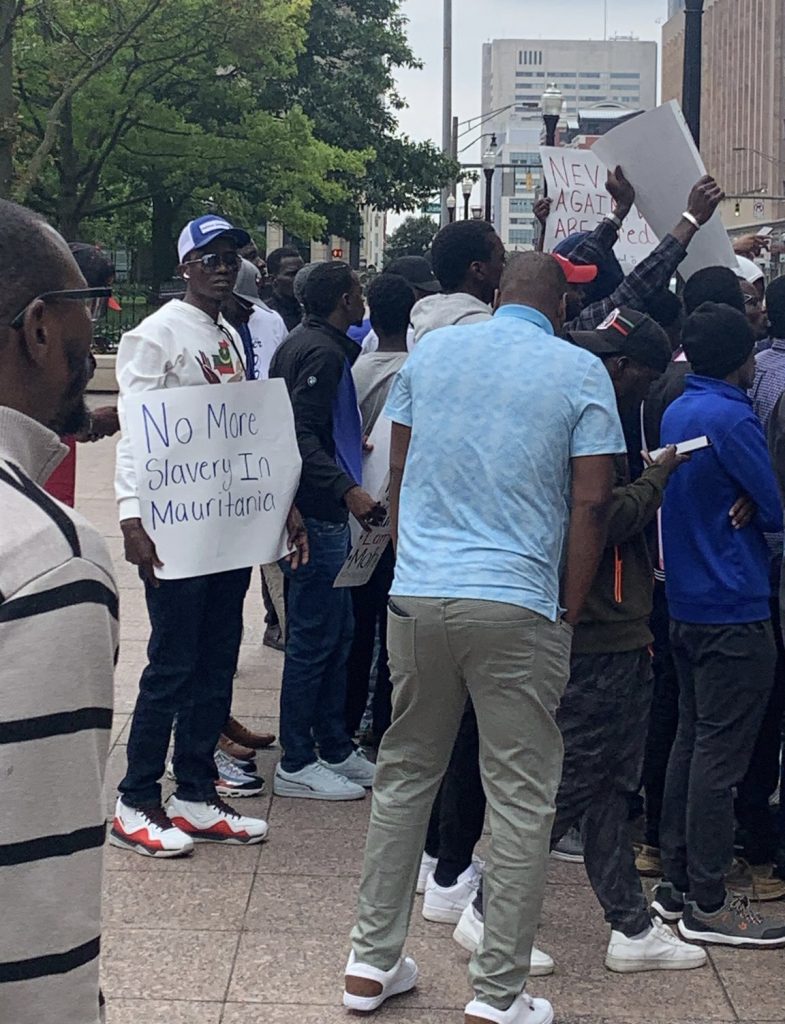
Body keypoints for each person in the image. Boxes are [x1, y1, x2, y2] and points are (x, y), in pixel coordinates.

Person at [344, 252, 626, 1024]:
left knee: (405, 774)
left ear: (497, 296)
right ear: (560, 308)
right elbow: (592, 502)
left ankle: (368, 963)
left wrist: (411, 564)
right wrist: (567, 610)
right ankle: (497, 991)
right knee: (521, 796)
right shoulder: (578, 371)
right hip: (516, 600)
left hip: (420, 592)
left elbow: (400, 470)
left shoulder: (432, 354)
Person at [457, 309, 705, 976]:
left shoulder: (576, 409)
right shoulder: (586, 420)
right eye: (622, 366)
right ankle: (486, 910)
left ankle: (630, 925)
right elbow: (600, 514)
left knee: (606, 785)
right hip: (593, 629)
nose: (615, 373)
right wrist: (656, 478)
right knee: (568, 785)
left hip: (604, 627)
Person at [111, 214, 279, 856]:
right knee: (173, 665)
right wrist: (131, 516)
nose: (222, 266)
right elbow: (136, 433)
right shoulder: (154, 336)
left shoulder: (227, 335)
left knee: (216, 659)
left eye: (231, 256)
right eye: (209, 257)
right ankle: (136, 799)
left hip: (224, 527)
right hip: (174, 530)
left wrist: (276, 506)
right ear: (185, 266)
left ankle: (196, 792)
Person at [0, 199, 117, 1024]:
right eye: (87, 309)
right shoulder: (48, 560)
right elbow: (37, 887)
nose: (92, 337)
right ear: (40, 328)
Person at [653, 302, 785, 946]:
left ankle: (676, 880)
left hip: (687, 600)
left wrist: (748, 498)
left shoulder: (679, 408)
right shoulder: (733, 417)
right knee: (721, 757)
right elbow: (775, 506)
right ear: (744, 358)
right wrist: (755, 499)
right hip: (735, 603)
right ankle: (710, 901)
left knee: (692, 741)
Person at [270, 261, 382, 800]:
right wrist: (347, 489)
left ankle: (334, 747)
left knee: (338, 633)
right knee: (315, 639)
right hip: (316, 516)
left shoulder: (308, 344)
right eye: (357, 292)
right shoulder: (321, 352)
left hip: (321, 512)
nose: (362, 300)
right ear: (343, 300)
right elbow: (299, 434)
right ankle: (297, 759)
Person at [345, 273, 415, 745]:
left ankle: (349, 718)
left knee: (357, 624)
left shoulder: (355, 371)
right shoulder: (418, 371)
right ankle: (385, 720)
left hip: (359, 514)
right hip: (400, 516)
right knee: (394, 628)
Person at [550, 173, 725, 333]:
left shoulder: (545, 321)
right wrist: (691, 219)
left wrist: (621, 209)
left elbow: (582, 257)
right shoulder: (569, 333)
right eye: (574, 288)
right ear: (559, 305)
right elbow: (634, 289)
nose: (581, 293)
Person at [44, 243, 120, 507]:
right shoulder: (41, 344)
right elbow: (42, 412)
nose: (91, 318)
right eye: (89, 305)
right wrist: (88, 424)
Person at [410, 220, 506, 343]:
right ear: (478, 270)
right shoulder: (495, 335)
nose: (505, 267)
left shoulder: (422, 321)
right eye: (501, 259)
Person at [361, 256, 441, 354]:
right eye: (422, 294)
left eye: (432, 294)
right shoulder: (373, 337)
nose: (428, 300)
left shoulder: (437, 331)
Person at [266, 246, 305, 332]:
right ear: (272, 279)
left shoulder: (310, 311)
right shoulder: (266, 314)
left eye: (301, 273)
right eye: (292, 274)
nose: (299, 278)